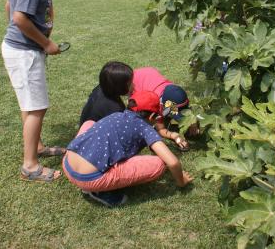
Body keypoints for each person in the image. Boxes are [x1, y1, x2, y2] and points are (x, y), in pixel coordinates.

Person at [1, 0, 73, 182]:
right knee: (37, 108)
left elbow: (9, 8)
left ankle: (38, 147)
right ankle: (30, 166)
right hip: (24, 53)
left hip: (19, 49)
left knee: (29, 105)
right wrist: (46, 42)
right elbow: (19, 18)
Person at [63, 90, 194, 207]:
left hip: (68, 163)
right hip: (89, 178)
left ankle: (90, 181)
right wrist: (181, 181)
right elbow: (173, 162)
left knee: (89, 123)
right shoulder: (145, 128)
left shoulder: (116, 115)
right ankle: (102, 192)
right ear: (152, 117)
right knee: (158, 164)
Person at [132, 67, 199, 151]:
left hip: (149, 73)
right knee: (142, 117)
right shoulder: (156, 105)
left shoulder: (176, 93)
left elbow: (186, 111)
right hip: (135, 80)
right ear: (164, 106)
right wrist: (174, 136)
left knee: (167, 114)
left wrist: (193, 123)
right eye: (173, 110)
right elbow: (160, 129)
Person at [79, 61, 133, 126]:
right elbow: (124, 129)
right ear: (119, 87)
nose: (133, 85)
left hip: (85, 128)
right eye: (130, 84)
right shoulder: (115, 110)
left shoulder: (102, 88)